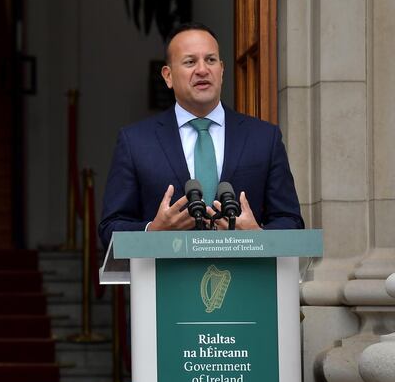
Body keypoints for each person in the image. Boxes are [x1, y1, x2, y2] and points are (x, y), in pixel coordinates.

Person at [98, 23, 303, 247]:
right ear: (168, 76)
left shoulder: (264, 138)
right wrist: (154, 230)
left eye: (211, 60)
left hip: (245, 277)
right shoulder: (135, 142)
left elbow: (291, 221)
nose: (203, 69)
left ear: (222, 71)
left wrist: (258, 235)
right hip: (167, 278)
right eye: (190, 62)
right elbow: (110, 228)